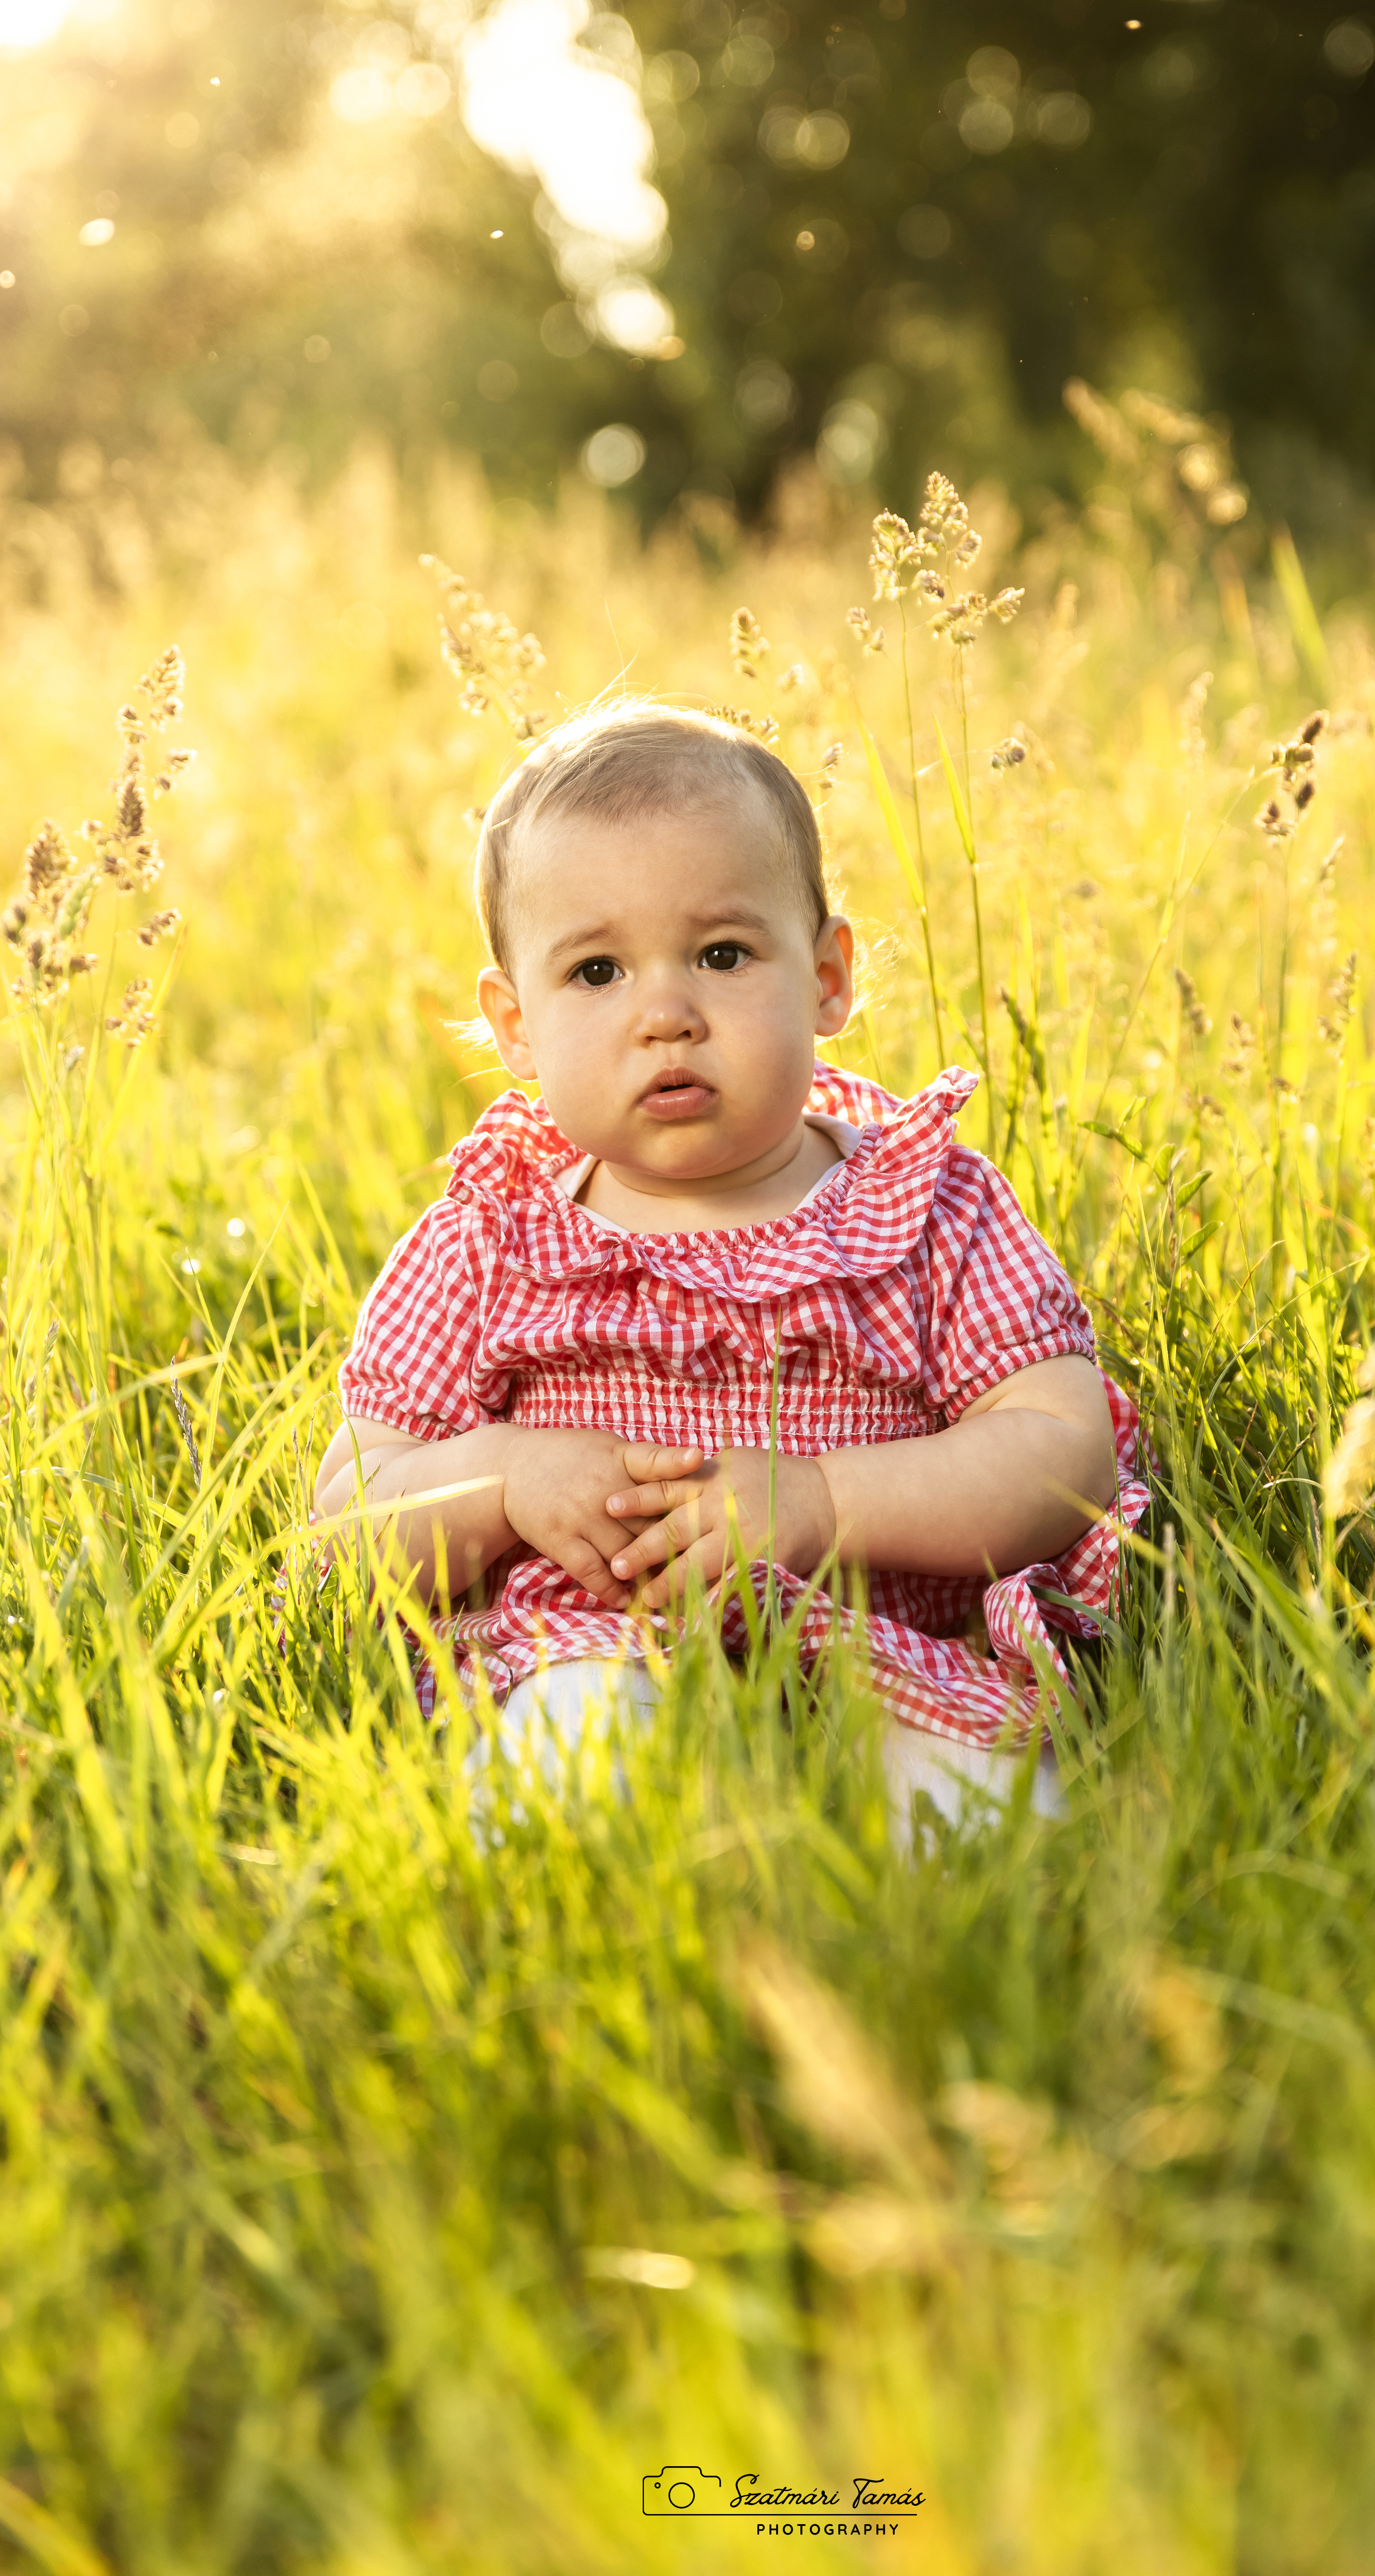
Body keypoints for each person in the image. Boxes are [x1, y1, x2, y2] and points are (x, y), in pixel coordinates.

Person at [312, 699, 1148, 1830]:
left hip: (892, 1647)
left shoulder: (928, 1209)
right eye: (597, 972)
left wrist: (820, 1499)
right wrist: (504, 1474)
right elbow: (347, 1521)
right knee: (571, 1744)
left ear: (825, 977)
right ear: (515, 1026)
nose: (666, 1013)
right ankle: (570, 1935)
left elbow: (1062, 1453)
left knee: (972, 1807)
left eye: (720, 954)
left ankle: (975, 1947)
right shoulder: (488, 1239)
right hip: (592, 1642)